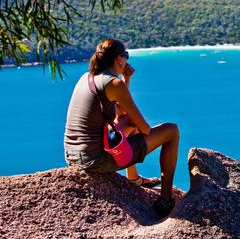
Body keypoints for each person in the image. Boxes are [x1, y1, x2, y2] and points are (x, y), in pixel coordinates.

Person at [64, 39, 180, 217]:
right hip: (95, 161)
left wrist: (127, 79)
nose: (127, 61)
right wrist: (141, 129)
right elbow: (145, 129)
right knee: (171, 131)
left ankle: (133, 178)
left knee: (128, 122)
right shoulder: (113, 84)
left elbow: (121, 114)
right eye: (126, 56)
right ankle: (165, 201)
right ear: (119, 59)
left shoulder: (87, 77)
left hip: (72, 155)